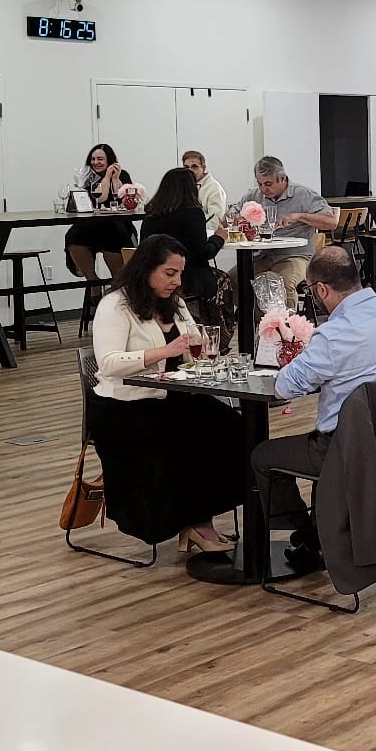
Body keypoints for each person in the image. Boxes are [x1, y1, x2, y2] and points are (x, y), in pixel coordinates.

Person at [250, 246, 376, 565]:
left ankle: (307, 534)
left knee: (263, 457)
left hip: (346, 447)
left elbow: (285, 387)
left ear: (322, 289)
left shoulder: (332, 336)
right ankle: (321, 538)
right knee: (322, 441)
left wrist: (300, 359)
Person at [87, 234, 245, 554]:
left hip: (172, 397)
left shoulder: (176, 303)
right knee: (191, 438)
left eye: (180, 274)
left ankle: (203, 518)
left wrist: (202, 350)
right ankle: (197, 523)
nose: (177, 281)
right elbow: (108, 363)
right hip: (124, 405)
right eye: (169, 273)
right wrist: (164, 351)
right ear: (146, 269)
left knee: (236, 428)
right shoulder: (115, 305)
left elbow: (193, 345)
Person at [235, 156, 335, 295]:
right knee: (232, 280)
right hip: (263, 255)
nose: (263, 189)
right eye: (259, 184)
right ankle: (250, 310)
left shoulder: (304, 195)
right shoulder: (253, 195)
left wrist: (300, 216)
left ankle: (282, 311)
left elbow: (331, 222)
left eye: (268, 184)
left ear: (282, 179)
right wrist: (240, 219)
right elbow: (230, 217)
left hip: (295, 255)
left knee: (281, 283)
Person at [140, 167, 225, 309]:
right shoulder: (193, 213)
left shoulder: (151, 213)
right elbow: (201, 254)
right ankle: (218, 322)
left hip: (151, 275)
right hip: (184, 276)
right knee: (223, 279)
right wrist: (218, 239)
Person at [65, 143, 137, 288]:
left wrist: (114, 178)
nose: (96, 162)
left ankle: (118, 283)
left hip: (117, 224)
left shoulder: (122, 174)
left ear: (109, 160)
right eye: (93, 159)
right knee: (73, 235)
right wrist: (106, 178)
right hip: (93, 224)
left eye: (100, 159)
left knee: (113, 233)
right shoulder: (88, 177)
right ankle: (93, 282)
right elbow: (99, 199)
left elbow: (121, 198)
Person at [184, 150, 226, 235]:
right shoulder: (183, 185)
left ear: (203, 168)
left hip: (205, 234)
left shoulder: (214, 188)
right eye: (186, 167)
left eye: (194, 167)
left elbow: (215, 218)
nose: (190, 170)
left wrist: (195, 231)